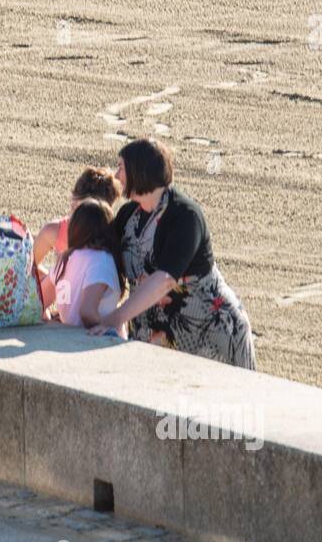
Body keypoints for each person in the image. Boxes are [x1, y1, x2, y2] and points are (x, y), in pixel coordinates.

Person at [89, 138, 255, 369]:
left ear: (140, 170)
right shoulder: (128, 216)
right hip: (158, 338)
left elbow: (164, 281)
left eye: (122, 168)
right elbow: (101, 255)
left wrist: (115, 318)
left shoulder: (185, 215)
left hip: (211, 335)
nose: (117, 176)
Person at [40, 198, 126, 338]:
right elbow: (87, 312)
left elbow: (39, 302)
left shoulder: (65, 258)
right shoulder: (101, 260)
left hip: (64, 337)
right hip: (93, 343)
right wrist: (109, 330)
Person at [33, 166, 120, 268]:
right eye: (74, 208)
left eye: (85, 212)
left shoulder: (114, 237)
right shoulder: (54, 231)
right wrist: (54, 279)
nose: (77, 217)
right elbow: (28, 269)